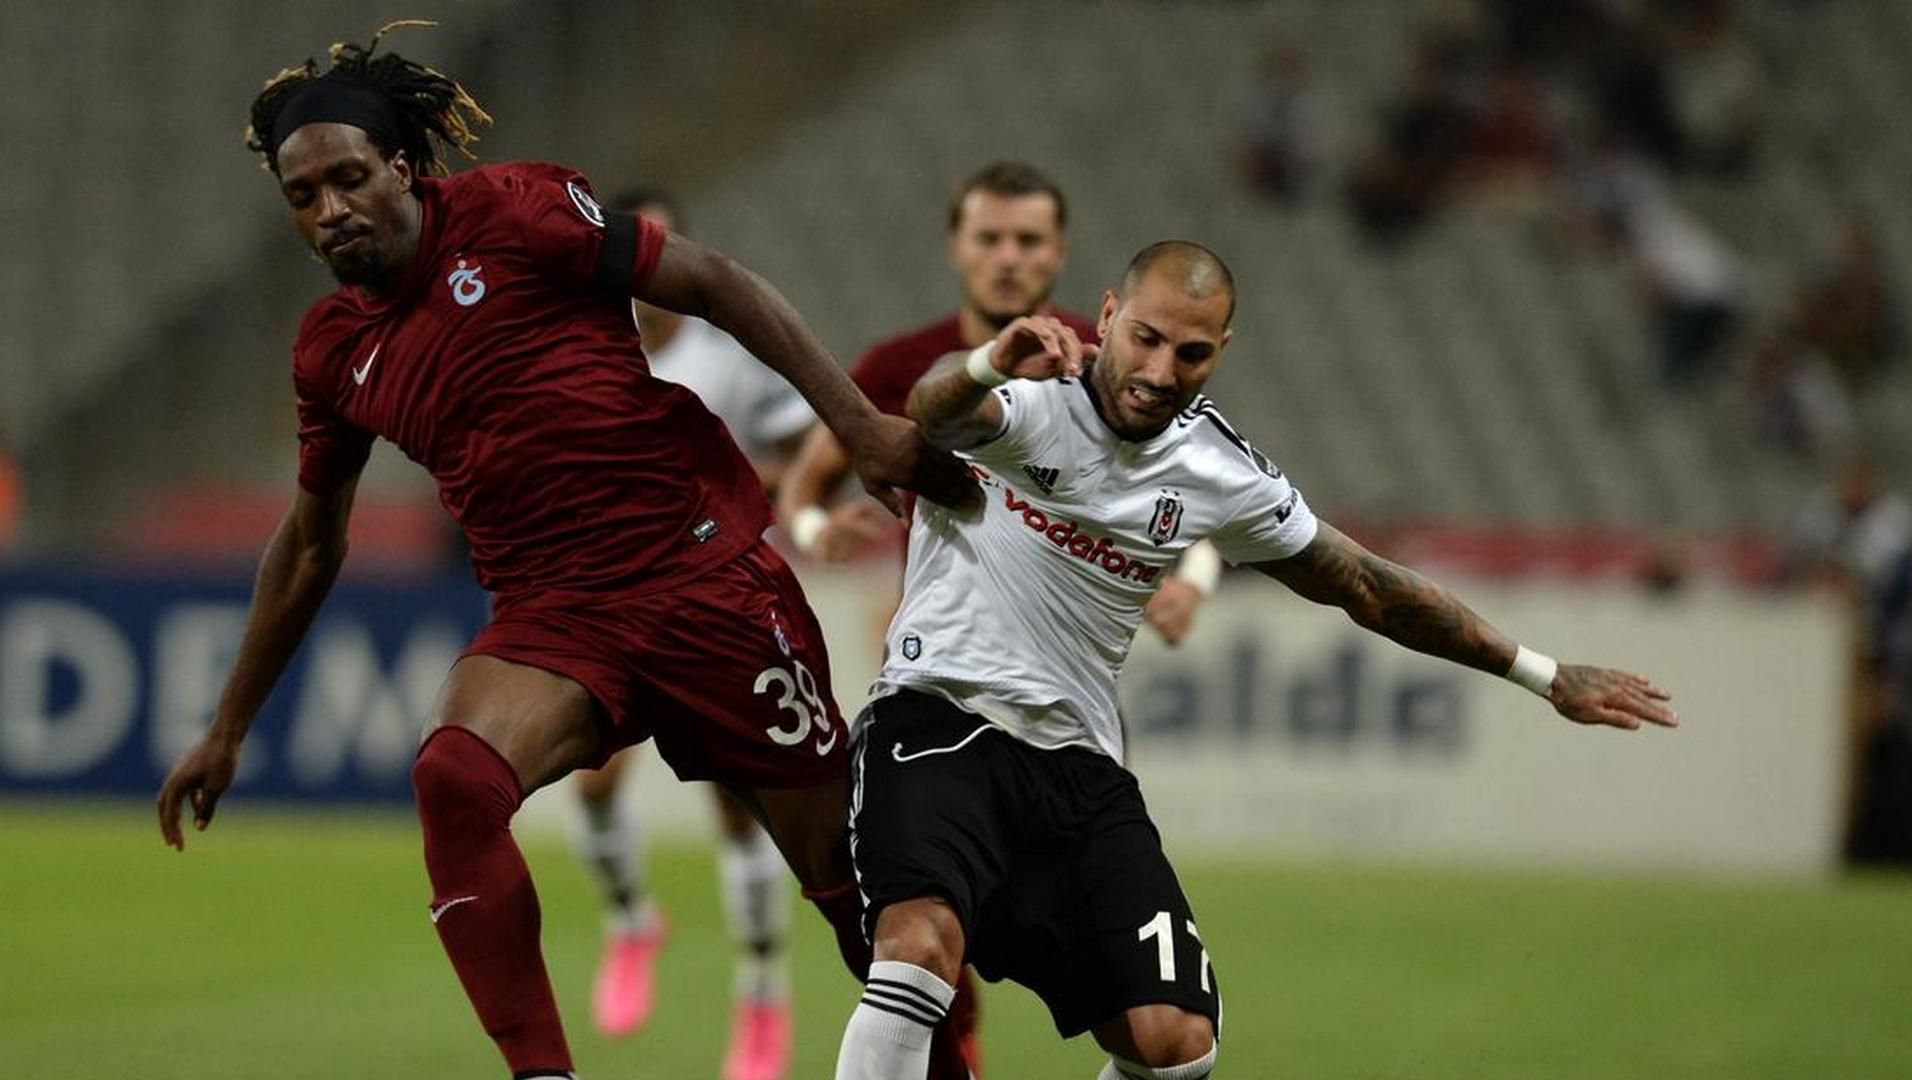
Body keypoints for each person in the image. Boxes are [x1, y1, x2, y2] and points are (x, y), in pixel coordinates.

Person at [151, 24, 979, 1080]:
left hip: (702, 580)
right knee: (453, 776)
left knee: (850, 887)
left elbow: (714, 281)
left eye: (348, 179)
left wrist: (858, 426)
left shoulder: (515, 211)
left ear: (401, 165)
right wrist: (228, 727)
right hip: (556, 620)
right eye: (302, 197)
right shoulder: (332, 353)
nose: (330, 210)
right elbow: (313, 544)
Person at [833, 241, 1678, 1080]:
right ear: (1108, 316)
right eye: (1147, 338)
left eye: (1191, 353)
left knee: (1178, 1047)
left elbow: (1367, 586)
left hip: (1075, 764)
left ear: (1222, 351)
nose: (1161, 371)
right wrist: (989, 360)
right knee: (919, 948)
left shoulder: (1218, 470)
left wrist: (1542, 673)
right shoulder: (1031, 399)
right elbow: (935, 409)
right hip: (938, 719)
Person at [571, 187, 815, 1079]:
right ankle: (633, 921)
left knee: (738, 807)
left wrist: (752, 488)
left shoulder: (730, 356)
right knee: (592, 785)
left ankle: (761, 991)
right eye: (638, 245)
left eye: (667, 243)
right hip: (610, 596)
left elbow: (801, 457)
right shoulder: (579, 349)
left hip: (718, 599)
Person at [778, 161, 1220, 651]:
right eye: (989, 239)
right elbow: (804, 484)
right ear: (956, 248)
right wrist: (815, 531)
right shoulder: (898, 366)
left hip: (1064, 655)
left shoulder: (1107, 360)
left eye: (1028, 241)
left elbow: (1199, 484)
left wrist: (1193, 582)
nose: (1008, 258)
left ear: (1059, 252)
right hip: (931, 646)